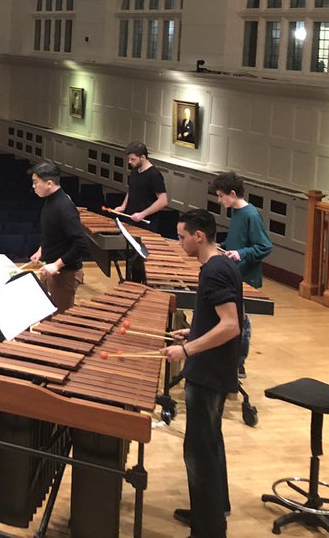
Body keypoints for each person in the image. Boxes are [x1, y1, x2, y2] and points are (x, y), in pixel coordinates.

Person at [160, 209, 243, 538]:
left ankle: (208, 528)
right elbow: (217, 318)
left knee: (198, 451)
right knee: (210, 443)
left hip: (208, 373)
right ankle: (213, 509)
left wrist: (188, 349)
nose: (179, 242)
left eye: (182, 236)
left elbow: (231, 325)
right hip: (213, 367)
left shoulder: (214, 271)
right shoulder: (222, 263)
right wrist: (192, 332)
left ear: (199, 236)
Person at [211, 171, 272, 378]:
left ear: (233, 193)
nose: (219, 200)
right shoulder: (236, 212)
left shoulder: (251, 214)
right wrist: (223, 247)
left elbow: (264, 247)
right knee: (232, 318)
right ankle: (227, 357)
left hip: (246, 278)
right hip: (234, 274)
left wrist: (240, 253)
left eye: (221, 195)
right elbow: (238, 240)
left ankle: (239, 363)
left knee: (242, 321)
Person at [28, 161, 90, 312]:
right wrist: (42, 250)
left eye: (36, 182)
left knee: (58, 322)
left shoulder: (64, 207)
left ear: (49, 183)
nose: (33, 186)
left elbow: (81, 243)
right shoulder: (51, 200)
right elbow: (55, 233)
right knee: (45, 318)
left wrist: (57, 264)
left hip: (65, 274)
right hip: (51, 270)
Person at [112, 142, 169, 227]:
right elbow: (131, 190)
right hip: (130, 218)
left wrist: (142, 214)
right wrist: (123, 206)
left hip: (145, 222)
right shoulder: (135, 170)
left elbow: (163, 201)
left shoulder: (154, 175)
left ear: (143, 157)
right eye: (129, 159)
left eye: (133, 159)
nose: (129, 162)